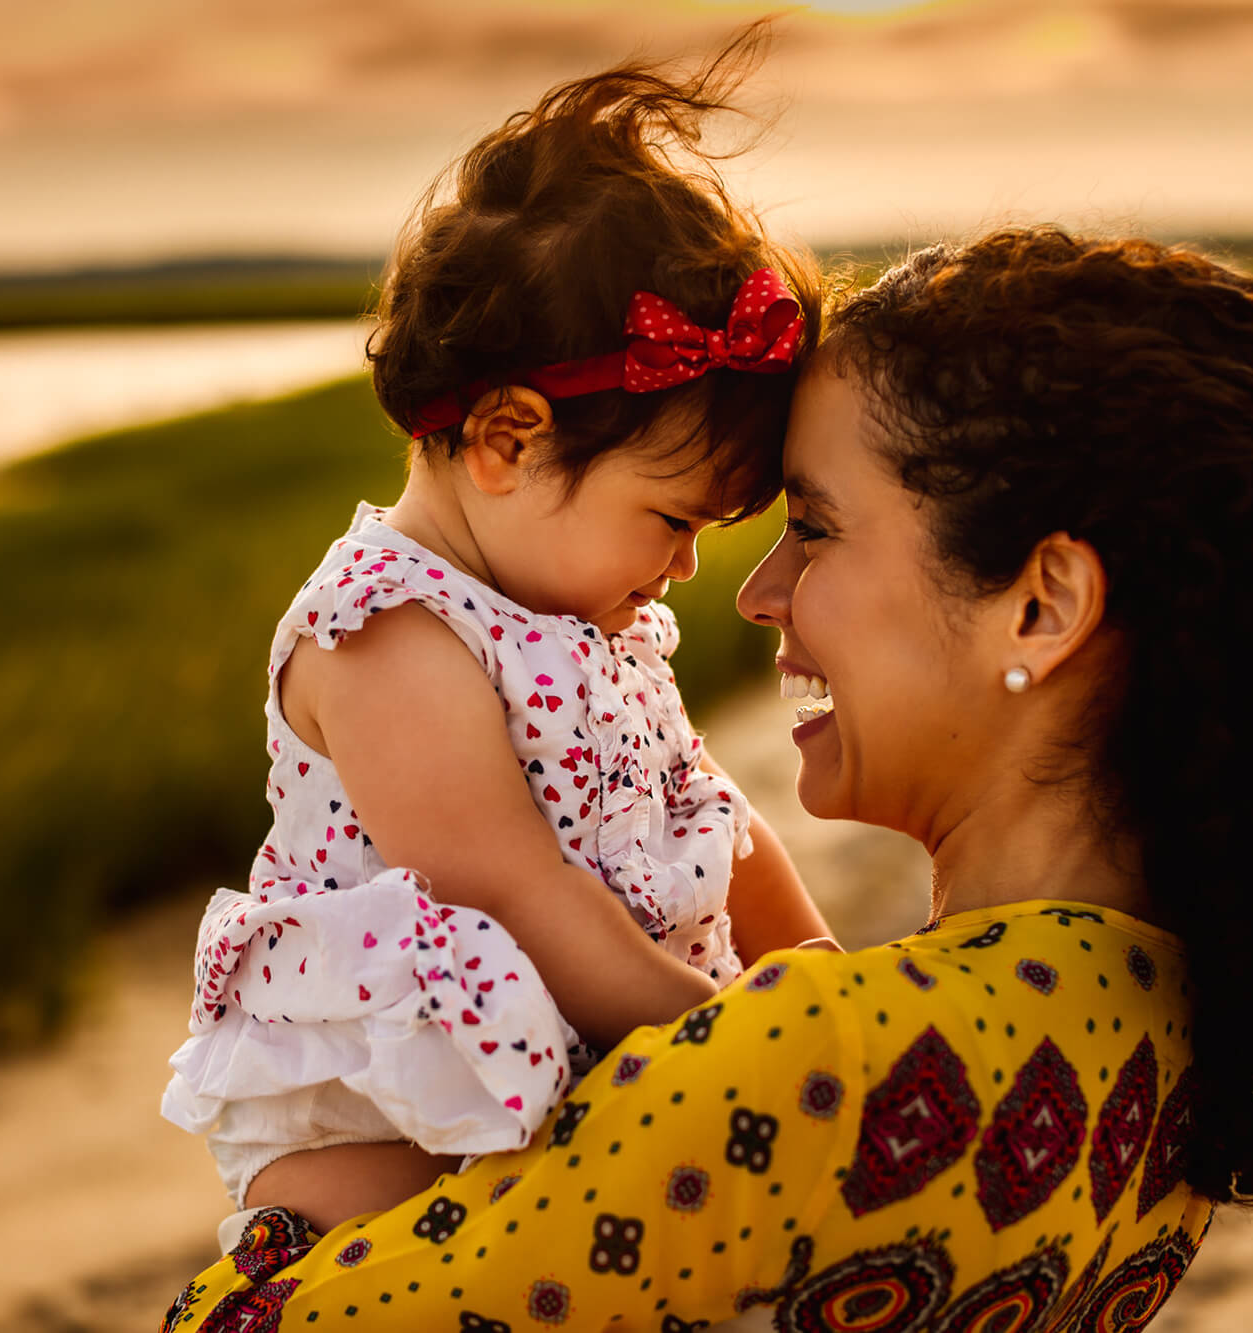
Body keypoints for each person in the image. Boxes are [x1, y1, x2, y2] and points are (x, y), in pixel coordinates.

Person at [158, 228, 1253, 1332]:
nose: (755, 590)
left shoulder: (803, 1065)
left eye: (814, 526)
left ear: (1041, 607)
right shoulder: (1174, 1038)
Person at [161, 34, 835, 1244]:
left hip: (609, 1052)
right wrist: (731, 1043)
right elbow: (516, 890)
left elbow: (705, 810)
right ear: (505, 440)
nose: (683, 567)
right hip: (398, 1112)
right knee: (406, 1263)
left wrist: (820, 978)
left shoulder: (583, 608)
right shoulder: (387, 634)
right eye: (671, 518)